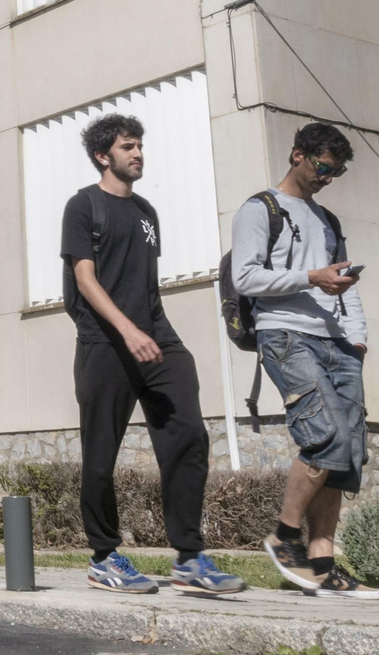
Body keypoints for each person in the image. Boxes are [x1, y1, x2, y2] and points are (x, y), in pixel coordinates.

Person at [61, 114, 245, 596]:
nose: (138, 153)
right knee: (100, 457)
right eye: (128, 147)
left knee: (188, 436)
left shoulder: (146, 211)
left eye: (140, 145)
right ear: (103, 156)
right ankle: (103, 557)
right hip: (105, 342)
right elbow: (84, 279)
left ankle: (189, 557)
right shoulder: (83, 205)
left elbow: (143, 283)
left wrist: (151, 332)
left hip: (156, 337)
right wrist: (126, 330)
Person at [233, 123, 379, 600]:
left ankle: (323, 565)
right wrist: (310, 278)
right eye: (322, 167)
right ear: (297, 154)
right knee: (324, 436)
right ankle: (284, 536)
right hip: (285, 333)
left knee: (347, 453)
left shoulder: (327, 220)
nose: (327, 178)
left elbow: (344, 283)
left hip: (339, 343)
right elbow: (245, 278)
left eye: (336, 172)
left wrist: (357, 339)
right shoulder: (261, 209)